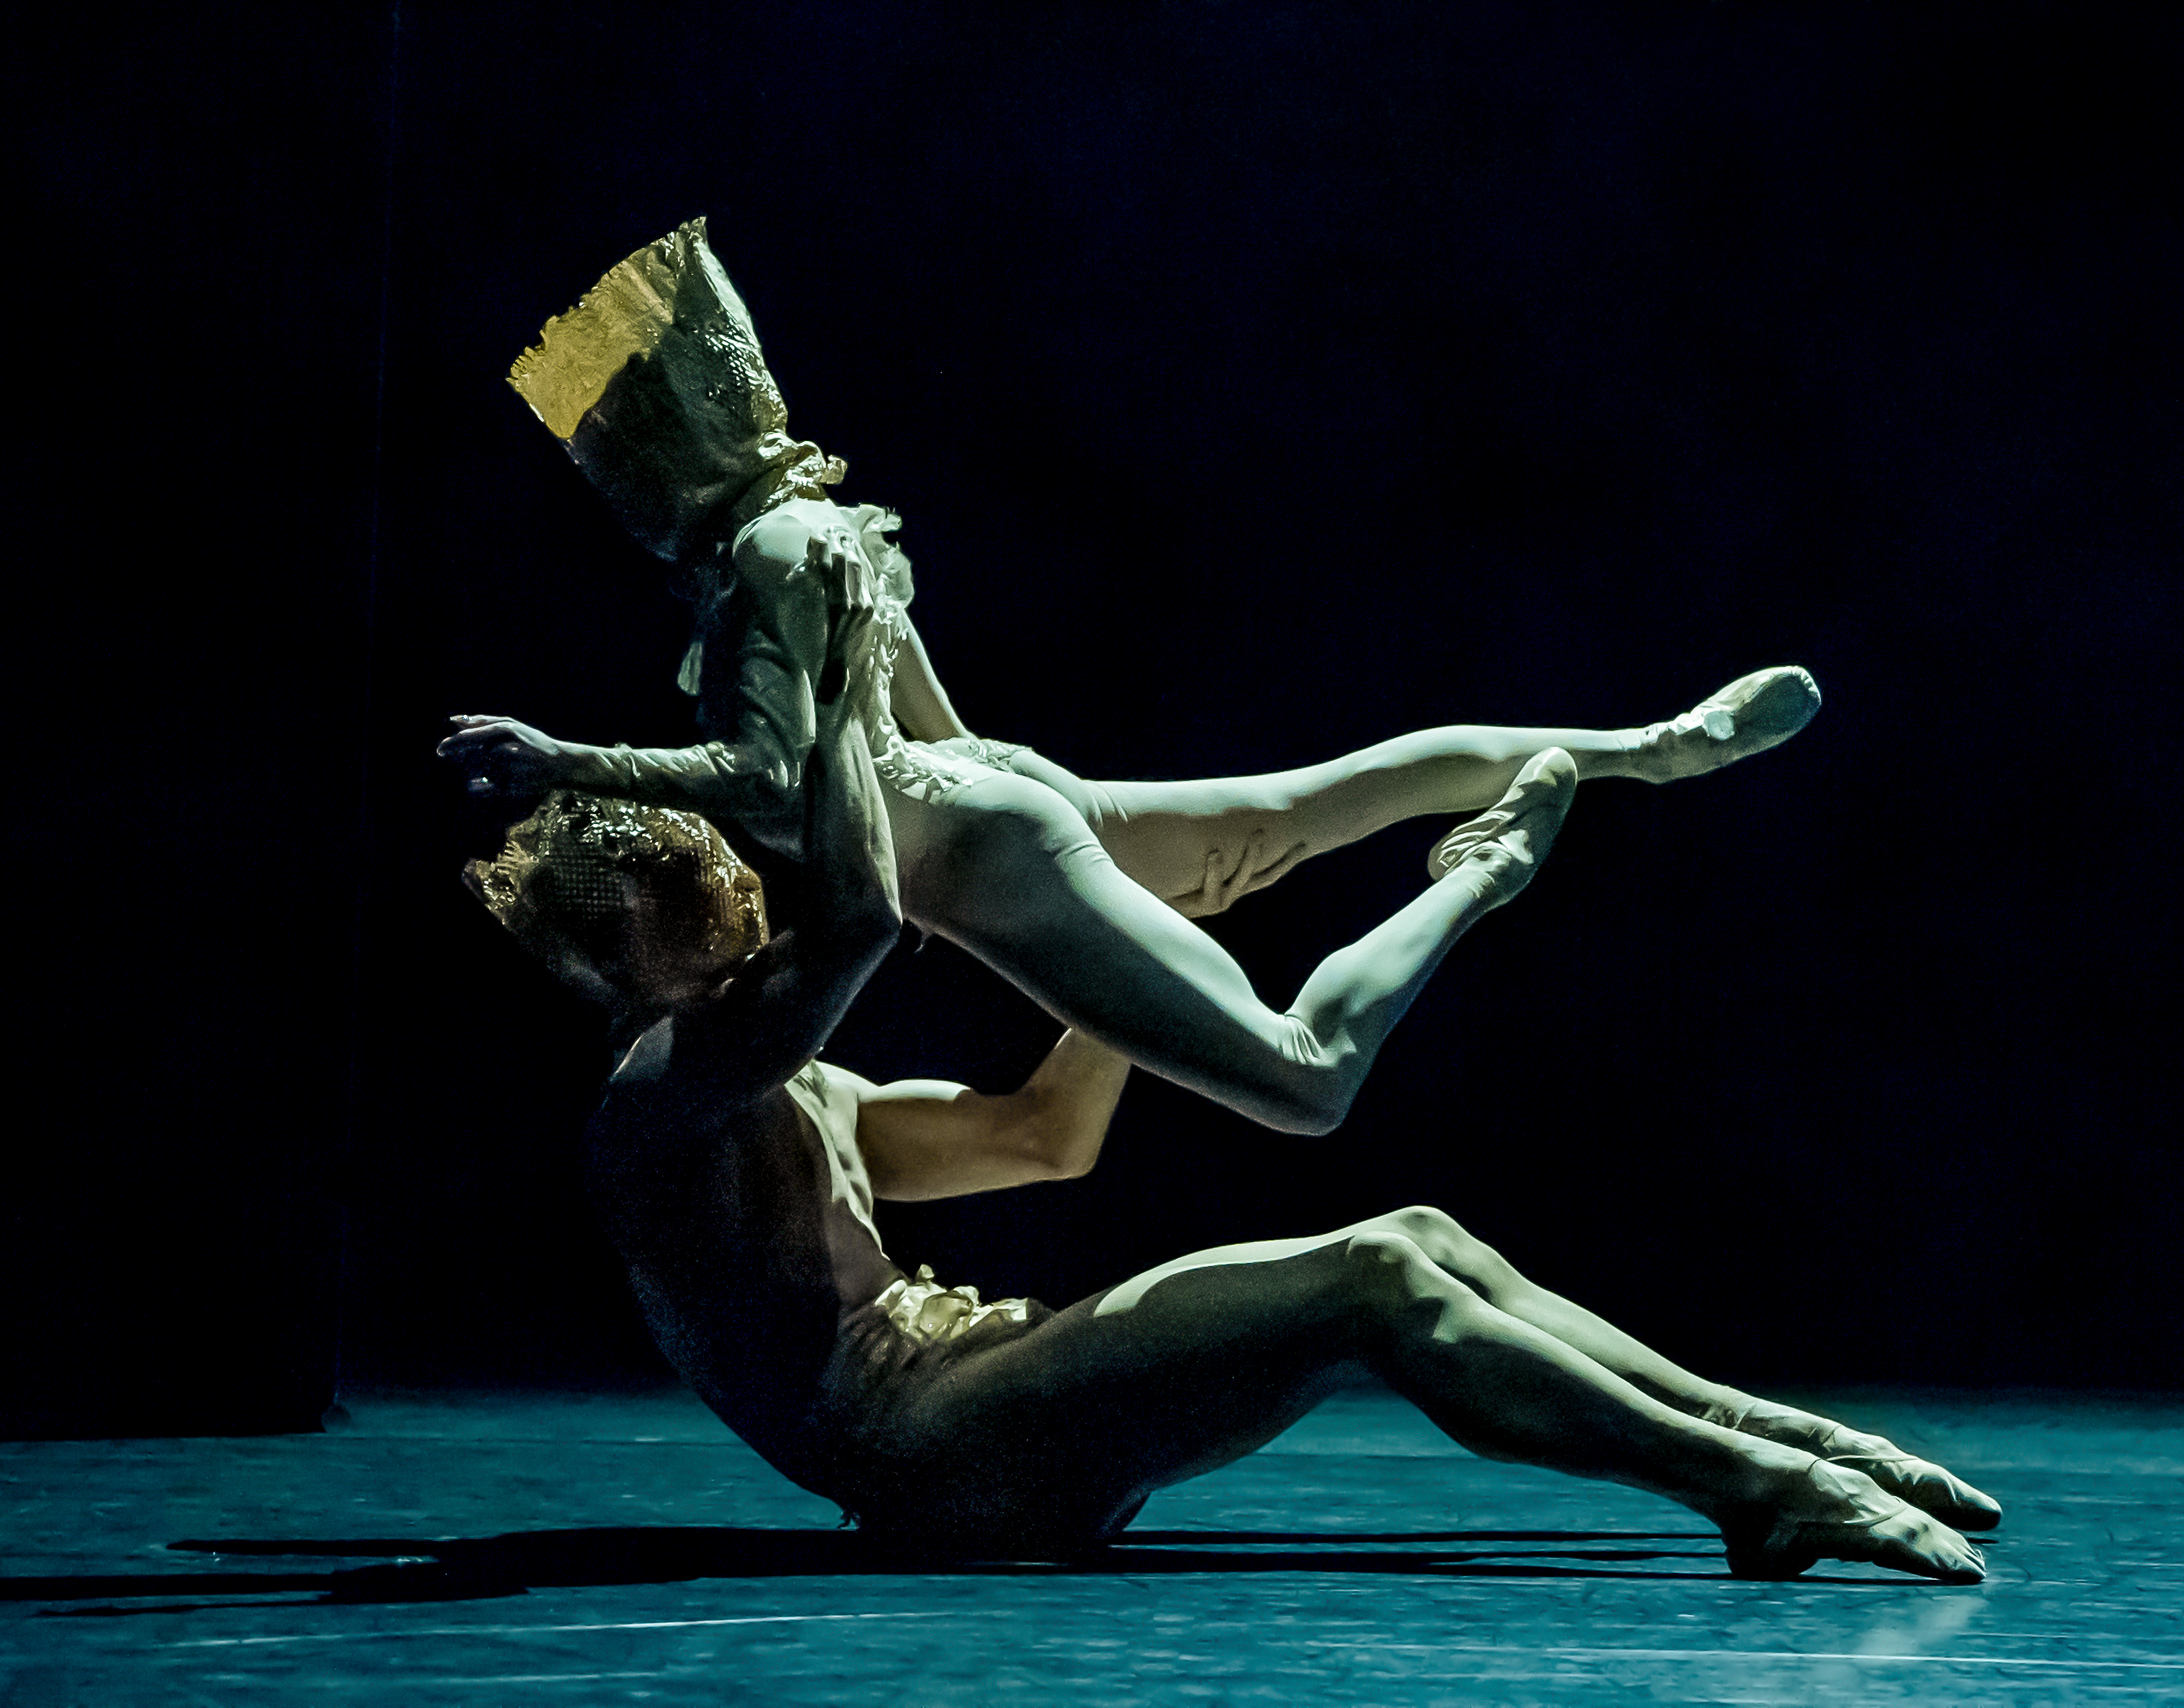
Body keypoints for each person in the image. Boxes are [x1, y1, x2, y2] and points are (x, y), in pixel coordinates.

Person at [456, 643, 1996, 1583]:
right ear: (611, 965)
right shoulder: (657, 1102)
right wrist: (821, 676)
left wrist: (1119, 963)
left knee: (1419, 1235)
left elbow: (1044, 1135)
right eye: (691, 917)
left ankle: (1772, 1432)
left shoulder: (809, 1084)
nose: (738, 919)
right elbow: (859, 920)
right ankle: (1762, 1496)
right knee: (1373, 1287)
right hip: (934, 1456)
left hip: (993, 1394)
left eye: (725, 892)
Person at [444, 218, 1823, 1136]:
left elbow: (761, 772)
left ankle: (1489, 866)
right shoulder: (813, 521)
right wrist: (1012, 780)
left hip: (983, 851)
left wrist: (558, 755)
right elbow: (916, 696)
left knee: (1306, 1083)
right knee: (1296, 811)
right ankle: (1657, 739)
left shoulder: (760, 553)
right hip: (988, 798)